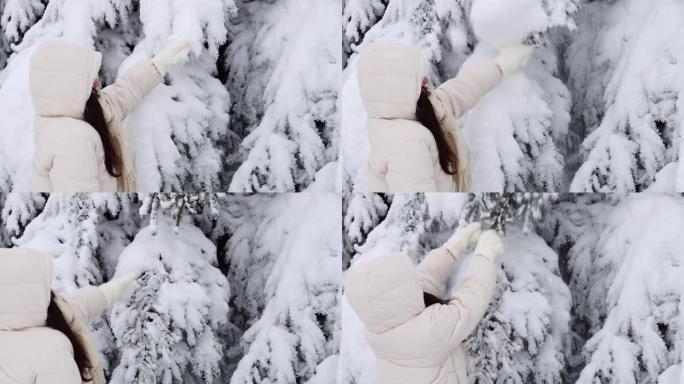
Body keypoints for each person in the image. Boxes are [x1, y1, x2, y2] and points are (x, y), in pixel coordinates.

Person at [357, 43, 535, 192]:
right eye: (416, 78)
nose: (426, 81)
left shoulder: (417, 110)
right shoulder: (408, 143)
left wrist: (501, 65)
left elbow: (463, 89)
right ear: (396, 88)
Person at [345, 223, 503, 384]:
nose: (415, 281)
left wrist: (453, 248)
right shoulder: (429, 331)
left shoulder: (380, 331)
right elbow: (470, 300)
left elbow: (424, 280)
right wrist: (485, 256)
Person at [30, 38, 191, 192]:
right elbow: (84, 209)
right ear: (68, 87)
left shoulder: (88, 112)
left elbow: (127, 90)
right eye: (87, 78)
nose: (97, 83)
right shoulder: (73, 140)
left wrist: (161, 62)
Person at [0, 247, 138, 383]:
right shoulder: (52, 353)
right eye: (44, 284)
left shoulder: (18, 324)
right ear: (30, 293)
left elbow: (76, 306)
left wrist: (112, 292)